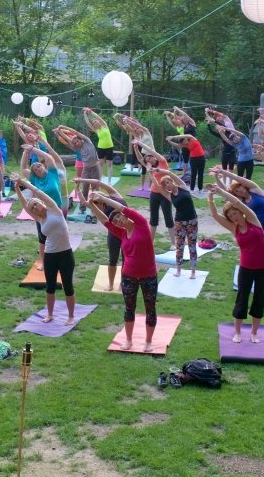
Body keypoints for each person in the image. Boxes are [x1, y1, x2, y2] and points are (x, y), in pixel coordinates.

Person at [84, 190, 159, 350]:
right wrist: (92, 205)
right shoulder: (121, 233)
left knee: (150, 308)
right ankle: (128, 340)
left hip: (149, 276)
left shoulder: (141, 224)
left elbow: (121, 207)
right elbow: (104, 221)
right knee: (129, 308)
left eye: (119, 217)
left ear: (124, 215)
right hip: (128, 276)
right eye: (116, 221)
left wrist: (103, 198)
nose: (118, 221)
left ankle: (148, 342)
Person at [207, 185, 264, 344]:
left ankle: (254, 333)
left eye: (235, 213)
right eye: (230, 215)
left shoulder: (253, 220)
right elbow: (215, 215)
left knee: (259, 299)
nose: (234, 217)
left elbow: (237, 202)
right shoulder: (233, 227)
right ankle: (237, 332)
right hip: (246, 269)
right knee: (242, 299)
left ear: (241, 212)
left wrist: (220, 191)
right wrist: (210, 197)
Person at [11, 172, 76, 324]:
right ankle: (50, 314)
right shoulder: (40, 219)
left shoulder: (54, 209)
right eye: (33, 207)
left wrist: (23, 182)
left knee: (68, 286)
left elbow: (37, 191)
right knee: (50, 286)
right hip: (50, 255)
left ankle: (71, 316)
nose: (35, 207)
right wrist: (17, 189)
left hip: (65, 254)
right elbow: (25, 206)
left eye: (36, 203)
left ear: (42, 202)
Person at [21, 142, 67, 273]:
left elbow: (48, 157)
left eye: (39, 166)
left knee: (60, 235)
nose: (38, 169)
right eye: (35, 169)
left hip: (56, 210)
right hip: (41, 212)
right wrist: (26, 152)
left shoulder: (52, 173)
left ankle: (61, 260)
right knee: (42, 239)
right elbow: (23, 169)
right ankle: (44, 262)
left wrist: (33, 149)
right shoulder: (35, 180)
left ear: (44, 166)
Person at [152, 168, 199, 278]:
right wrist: (151, 173)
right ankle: (178, 270)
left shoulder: (182, 186)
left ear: (172, 181)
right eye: (165, 185)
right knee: (179, 246)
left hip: (192, 220)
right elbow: (157, 187)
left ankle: (193, 271)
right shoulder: (169, 195)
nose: (167, 185)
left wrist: (158, 169)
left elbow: (169, 173)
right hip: (179, 222)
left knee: (192, 246)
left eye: (168, 182)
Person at [136, 143, 176, 249]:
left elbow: (151, 151)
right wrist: (135, 147)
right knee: (153, 219)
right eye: (147, 160)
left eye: (150, 158)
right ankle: (151, 242)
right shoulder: (149, 166)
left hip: (165, 194)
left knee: (168, 217)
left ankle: (173, 243)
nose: (149, 160)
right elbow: (140, 158)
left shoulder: (162, 162)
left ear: (154, 156)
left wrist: (140, 143)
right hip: (154, 194)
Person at [55, 124, 101, 211]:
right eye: (75, 143)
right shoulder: (78, 149)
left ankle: (96, 208)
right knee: (85, 188)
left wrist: (64, 127)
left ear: (81, 140)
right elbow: (68, 140)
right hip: (86, 169)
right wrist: (60, 132)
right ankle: (82, 207)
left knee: (95, 188)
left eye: (77, 141)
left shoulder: (87, 141)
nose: (76, 143)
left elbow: (75, 132)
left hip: (95, 168)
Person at [84, 107, 117, 181]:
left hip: (109, 147)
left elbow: (98, 117)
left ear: (98, 122)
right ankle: (100, 179)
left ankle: (109, 181)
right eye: (94, 123)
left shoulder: (105, 126)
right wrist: (85, 114)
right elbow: (88, 123)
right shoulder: (96, 130)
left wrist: (91, 112)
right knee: (100, 164)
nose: (95, 123)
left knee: (109, 164)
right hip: (100, 147)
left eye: (96, 122)